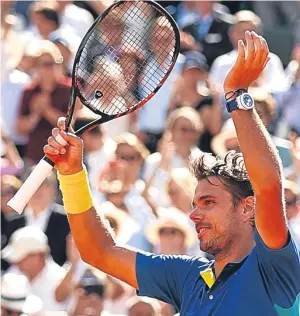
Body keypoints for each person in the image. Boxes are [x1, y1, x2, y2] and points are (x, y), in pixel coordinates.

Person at [43, 32, 300, 314]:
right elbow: (99, 252)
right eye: (195, 204)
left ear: (247, 208)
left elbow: (267, 186)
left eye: (209, 203)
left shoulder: (273, 267)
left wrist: (237, 96)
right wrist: (71, 175)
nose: (194, 215)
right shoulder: (185, 276)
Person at [16, 40, 70, 165]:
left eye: (56, 62)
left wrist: (47, 110)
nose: (53, 67)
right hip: (35, 157)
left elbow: (71, 125)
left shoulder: (68, 89)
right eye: (47, 64)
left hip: (62, 157)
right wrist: (35, 114)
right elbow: (20, 128)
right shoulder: (29, 91)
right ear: (37, 67)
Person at [209, 10, 287, 93]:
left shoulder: (271, 60)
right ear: (232, 34)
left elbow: (280, 91)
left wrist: (259, 88)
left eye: (251, 32)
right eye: (243, 32)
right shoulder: (221, 62)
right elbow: (215, 92)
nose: (247, 37)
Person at [3, 171, 70, 268]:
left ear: (53, 189)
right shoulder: (13, 223)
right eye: (32, 184)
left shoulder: (67, 220)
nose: (36, 189)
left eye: (42, 184)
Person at [2, 226, 68, 311]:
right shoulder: (13, 271)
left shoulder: (60, 278)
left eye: (21, 257)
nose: (15, 262)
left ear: (37, 256)